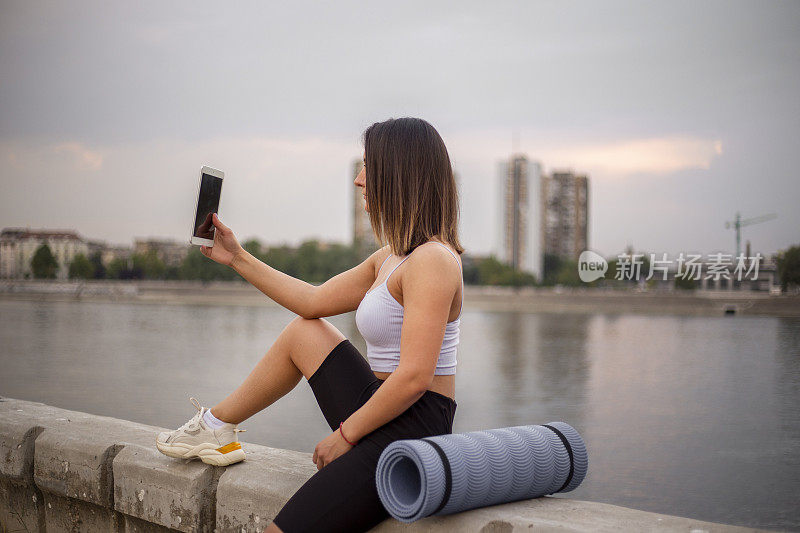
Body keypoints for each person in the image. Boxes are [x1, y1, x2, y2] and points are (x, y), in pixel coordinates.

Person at [155, 117, 464, 532]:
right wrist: (237, 257)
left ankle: (217, 428)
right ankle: (213, 426)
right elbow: (312, 300)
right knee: (305, 329)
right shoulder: (391, 257)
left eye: (368, 166)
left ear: (399, 173)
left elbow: (413, 377)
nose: (359, 180)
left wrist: (346, 435)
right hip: (380, 407)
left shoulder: (434, 260)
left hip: (413, 428)